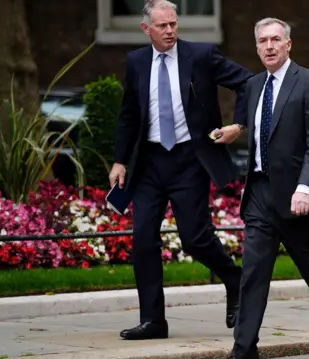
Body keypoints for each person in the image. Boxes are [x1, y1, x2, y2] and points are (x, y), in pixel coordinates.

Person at [214, 17, 309, 359]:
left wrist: (305, 187)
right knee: (253, 274)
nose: (269, 46)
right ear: (256, 48)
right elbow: (262, 126)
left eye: (275, 40)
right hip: (258, 193)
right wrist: (238, 128)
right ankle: (243, 350)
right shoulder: (254, 85)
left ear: (288, 45)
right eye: (263, 41)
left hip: (295, 197)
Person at [109, 0, 253, 340]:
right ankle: (153, 320)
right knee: (143, 238)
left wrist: (238, 125)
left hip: (190, 160)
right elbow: (129, 115)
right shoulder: (136, 62)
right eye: (162, 26)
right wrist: (119, 161)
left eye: (173, 24)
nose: (170, 30)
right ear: (147, 29)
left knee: (194, 238)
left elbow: (246, 81)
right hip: (149, 163)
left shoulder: (201, 56)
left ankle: (234, 280)